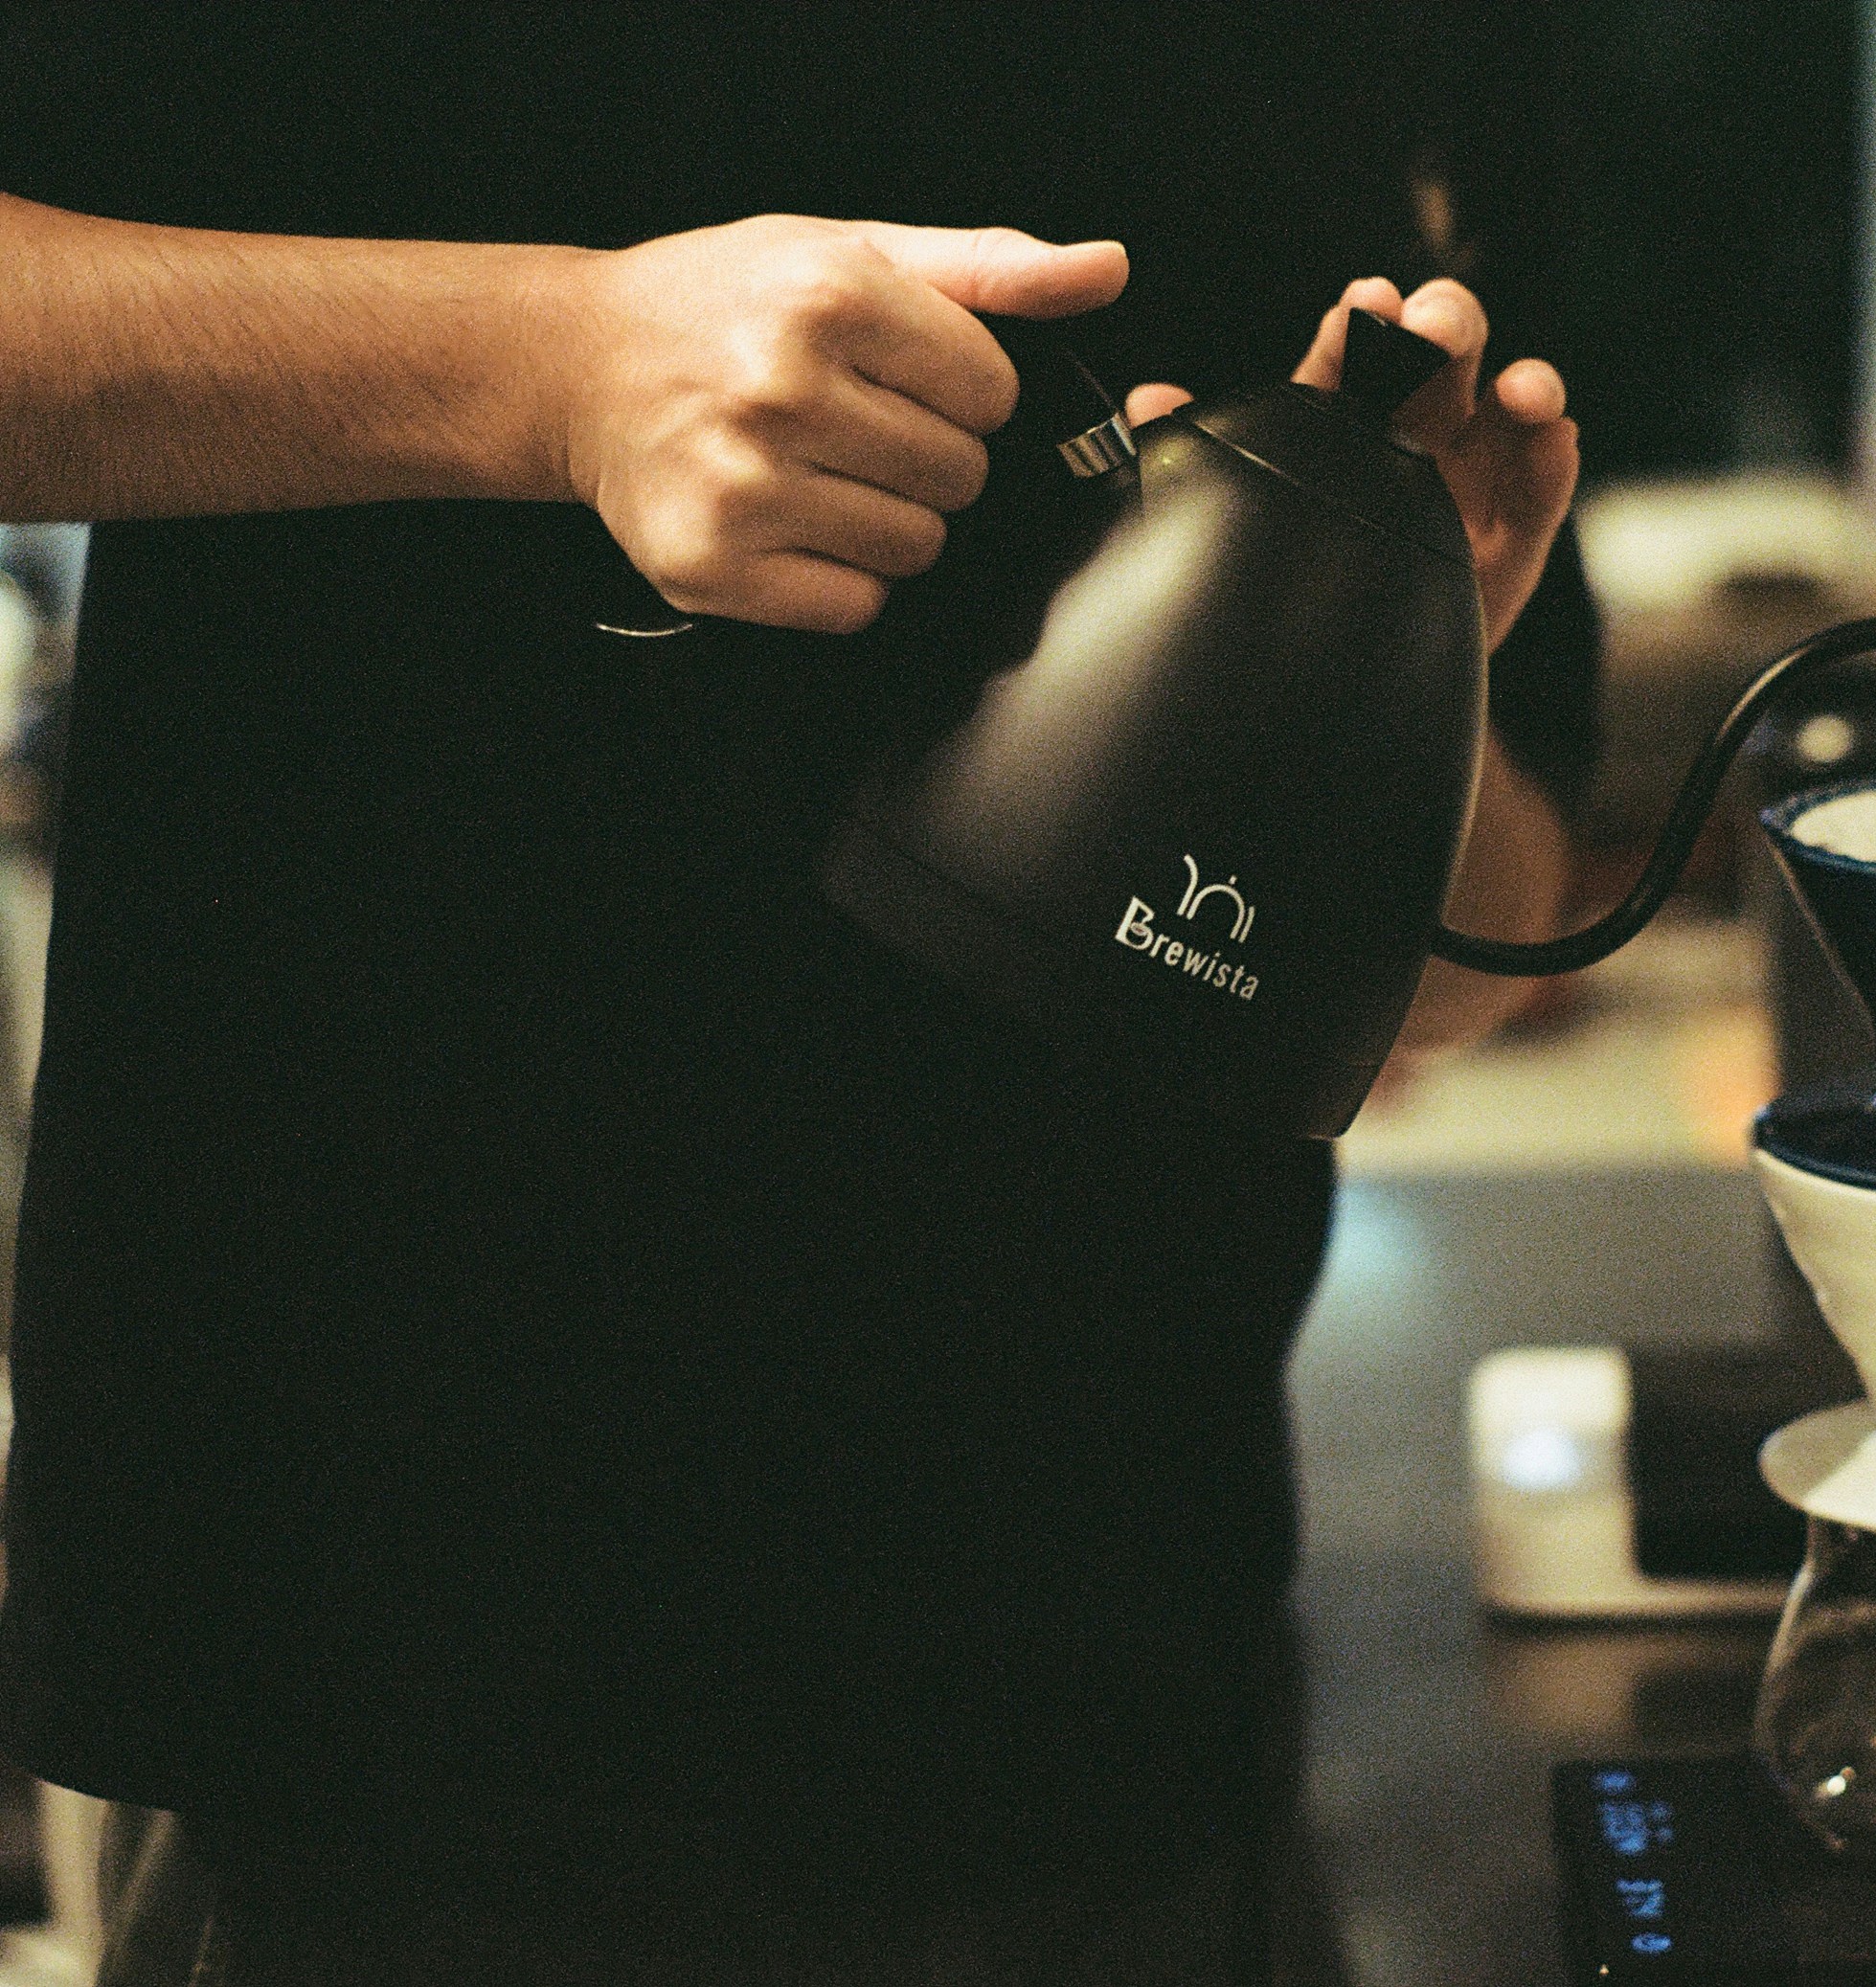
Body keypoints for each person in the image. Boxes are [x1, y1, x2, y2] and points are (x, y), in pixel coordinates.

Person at [0, 8, 1600, 1981]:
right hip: (394, 1657)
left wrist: (1347, 723)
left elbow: (1468, 966)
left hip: (1117, 1665)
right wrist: (549, 374)